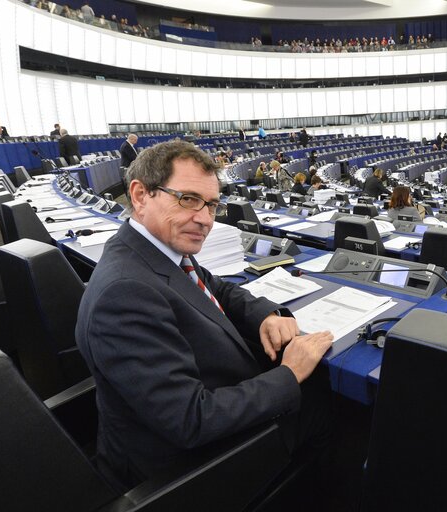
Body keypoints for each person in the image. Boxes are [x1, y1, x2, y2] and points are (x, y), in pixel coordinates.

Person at [75, 140, 333, 491]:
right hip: (188, 470)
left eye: (211, 205)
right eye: (189, 199)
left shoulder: (153, 249)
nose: (205, 219)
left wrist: (265, 315)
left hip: (198, 413)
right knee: (324, 403)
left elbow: (216, 289)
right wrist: (290, 374)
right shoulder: (124, 293)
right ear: (140, 195)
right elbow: (191, 419)